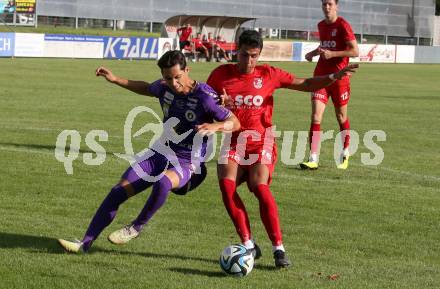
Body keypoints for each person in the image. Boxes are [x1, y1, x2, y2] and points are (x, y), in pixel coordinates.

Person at [58, 50, 240, 253]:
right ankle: (84, 244)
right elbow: (146, 87)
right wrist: (115, 79)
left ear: (187, 70)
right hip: (159, 153)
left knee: (163, 182)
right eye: (168, 78)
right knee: (117, 192)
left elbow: (235, 122)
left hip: (187, 161)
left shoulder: (205, 96)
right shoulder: (164, 87)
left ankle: (135, 227)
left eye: (177, 77)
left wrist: (215, 127)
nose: (173, 83)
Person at [207, 30, 358, 268]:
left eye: (254, 56)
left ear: (259, 54)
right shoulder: (219, 75)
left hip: (261, 141)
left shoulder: (269, 74)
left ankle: (278, 248)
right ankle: (248, 245)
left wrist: (333, 76)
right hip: (234, 141)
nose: (249, 61)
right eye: (245, 55)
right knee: (226, 187)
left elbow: (306, 83)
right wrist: (217, 104)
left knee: (259, 187)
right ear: (237, 50)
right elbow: (207, 103)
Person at [300, 0, 359, 170]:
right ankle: (313, 158)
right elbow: (324, 46)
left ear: (336, 6)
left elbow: (355, 51)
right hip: (321, 77)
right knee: (316, 117)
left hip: (340, 79)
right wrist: (313, 53)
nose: (327, 7)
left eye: (330, 4)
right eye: (324, 4)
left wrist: (333, 54)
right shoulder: (321, 25)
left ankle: (345, 151)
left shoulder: (343, 25)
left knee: (341, 117)